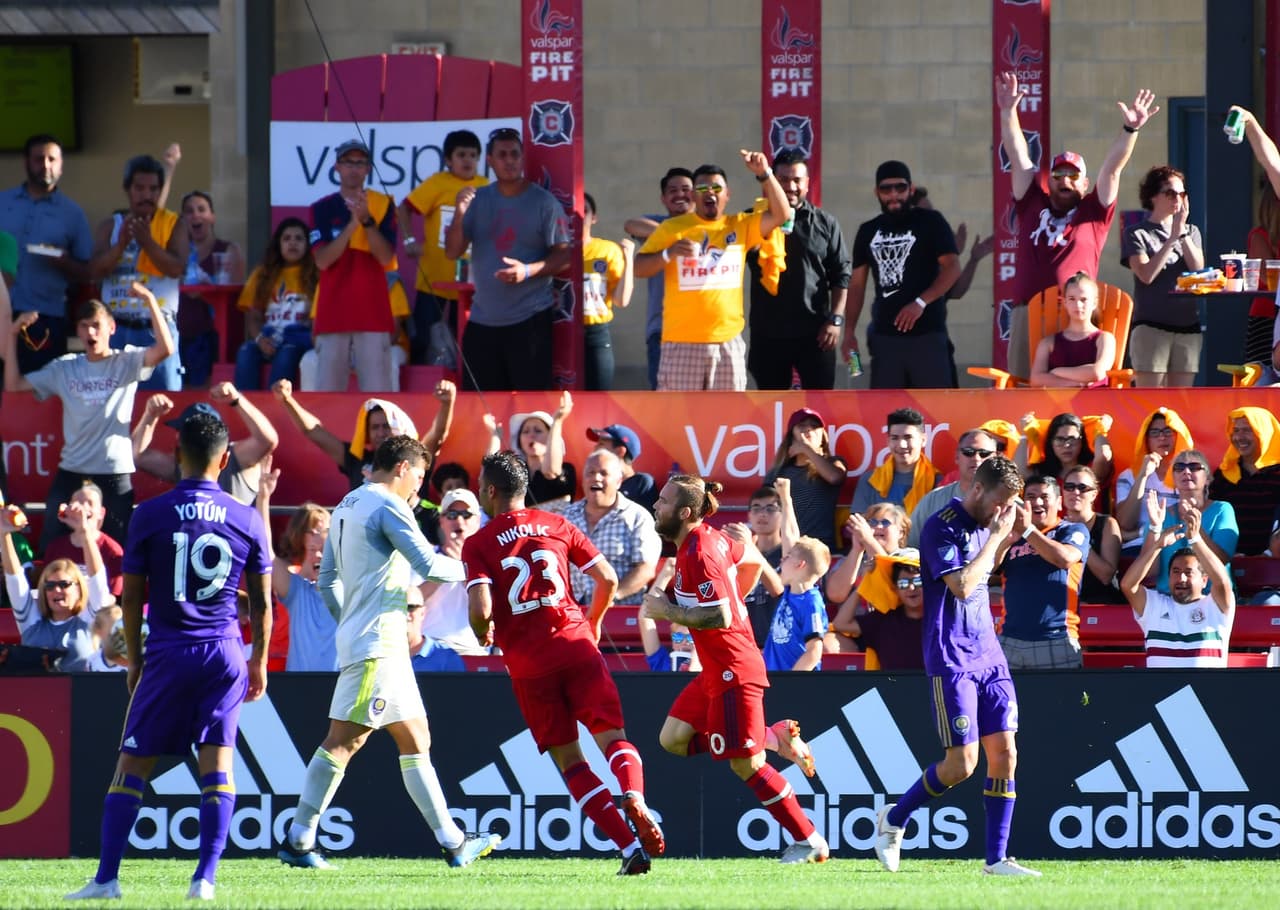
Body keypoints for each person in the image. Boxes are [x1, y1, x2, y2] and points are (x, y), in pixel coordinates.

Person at [65, 411, 272, 901]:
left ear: (177, 456)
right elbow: (263, 603)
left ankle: (106, 880)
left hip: (167, 649)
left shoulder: (149, 515)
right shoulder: (246, 517)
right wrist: (258, 660)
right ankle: (204, 879)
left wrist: (134, 659)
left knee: (131, 766)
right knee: (218, 768)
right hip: (224, 652)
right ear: (224, 460)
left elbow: (132, 597)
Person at [280, 435, 498, 870]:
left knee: (416, 740)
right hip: (378, 643)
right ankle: (299, 840)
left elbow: (326, 582)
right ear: (402, 468)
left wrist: (350, 621)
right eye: (418, 477)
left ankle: (454, 842)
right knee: (345, 740)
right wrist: (484, 569)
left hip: (381, 642)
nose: (419, 489)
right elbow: (431, 565)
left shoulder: (345, 505)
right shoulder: (386, 505)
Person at [465, 451, 663, 875]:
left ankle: (629, 847)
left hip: (529, 666)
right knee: (613, 739)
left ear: (492, 491)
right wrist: (592, 623)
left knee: (571, 762)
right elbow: (608, 578)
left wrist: (484, 631)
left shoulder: (478, 543)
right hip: (576, 645)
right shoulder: (558, 524)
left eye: (481, 485)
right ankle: (636, 796)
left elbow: (480, 607)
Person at [644, 473, 830, 864]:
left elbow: (719, 614)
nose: (656, 506)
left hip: (733, 668)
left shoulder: (698, 552)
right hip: (715, 668)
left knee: (745, 764)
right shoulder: (710, 539)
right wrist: (736, 597)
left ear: (685, 511)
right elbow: (751, 560)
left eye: (662, 501)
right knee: (672, 738)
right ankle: (772, 737)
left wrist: (667, 611)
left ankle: (809, 839)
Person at [874, 455, 1040, 877]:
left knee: (1005, 753)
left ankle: (996, 860)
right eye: (1001, 502)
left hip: (989, 652)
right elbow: (964, 586)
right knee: (961, 765)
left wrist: (1003, 538)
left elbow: (987, 569)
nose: (1003, 511)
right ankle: (895, 819)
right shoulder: (940, 526)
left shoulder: (990, 521)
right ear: (979, 489)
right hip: (952, 657)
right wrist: (997, 537)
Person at [997, 72, 1158, 379]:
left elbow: (1112, 168)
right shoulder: (1032, 202)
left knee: (1074, 395)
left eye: (1073, 176)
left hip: (1076, 316)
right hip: (1027, 313)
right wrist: (1008, 113)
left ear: (1085, 183)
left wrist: (1130, 128)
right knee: (1022, 388)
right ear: (1050, 180)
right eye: (1058, 175)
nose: (1065, 181)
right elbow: (1019, 157)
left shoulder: (1093, 212)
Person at [4, 288, 174, 551]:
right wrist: (13, 334)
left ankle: (115, 595)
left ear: (111, 328)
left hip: (114, 472)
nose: (90, 333)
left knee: (118, 551)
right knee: (51, 545)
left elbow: (165, 349)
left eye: (96, 325)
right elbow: (14, 385)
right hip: (72, 470)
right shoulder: (65, 367)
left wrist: (151, 300)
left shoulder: (126, 361)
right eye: (84, 326)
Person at [634, 151, 791, 391]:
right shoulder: (672, 228)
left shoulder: (740, 225)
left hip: (727, 343)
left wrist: (764, 174)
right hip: (681, 343)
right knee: (679, 421)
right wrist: (668, 253)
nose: (710, 193)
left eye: (717, 189)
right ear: (694, 196)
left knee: (729, 421)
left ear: (727, 195)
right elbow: (638, 267)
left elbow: (782, 214)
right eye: (702, 188)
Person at [444, 128, 571, 392]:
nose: (509, 160)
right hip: (482, 321)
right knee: (479, 407)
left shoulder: (543, 202)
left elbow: (565, 255)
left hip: (529, 320)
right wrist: (459, 213)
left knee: (530, 408)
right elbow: (453, 251)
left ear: (523, 158)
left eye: (515, 154)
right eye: (502, 154)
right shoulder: (477, 199)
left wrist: (527, 270)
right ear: (489, 160)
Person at [845, 160, 961, 388]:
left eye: (900, 188)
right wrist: (848, 333)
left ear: (911, 189)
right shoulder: (868, 230)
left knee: (935, 414)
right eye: (886, 189)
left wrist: (920, 302)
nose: (894, 195)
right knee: (887, 413)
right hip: (885, 338)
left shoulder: (931, 221)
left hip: (927, 335)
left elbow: (953, 267)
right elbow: (857, 285)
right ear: (876, 192)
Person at [745, 149, 853, 390]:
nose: (790, 186)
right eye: (783, 179)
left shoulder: (826, 223)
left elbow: (841, 275)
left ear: (807, 183)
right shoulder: (751, 220)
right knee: (770, 410)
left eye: (797, 180)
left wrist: (836, 320)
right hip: (768, 334)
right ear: (772, 180)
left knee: (821, 406)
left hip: (815, 334)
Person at [90, 154, 188, 391]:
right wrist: (121, 245)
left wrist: (148, 243)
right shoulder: (110, 226)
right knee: (110, 403)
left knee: (163, 403)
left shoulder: (173, 225)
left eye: (154, 189)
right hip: (114, 330)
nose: (147, 195)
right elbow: (95, 271)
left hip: (157, 330)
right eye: (140, 188)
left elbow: (176, 268)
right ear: (127, 189)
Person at [309, 139, 398, 392]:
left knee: (378, 396)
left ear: (368, 169)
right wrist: (352, 225)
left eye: (360, 163)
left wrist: (368, 221)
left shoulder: (383, 205)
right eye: (348, 162)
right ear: (337, 167)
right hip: (333, 314)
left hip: (372, 314)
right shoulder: (322, 208)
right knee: (328, 397)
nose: (354, 168)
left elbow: (384, 257)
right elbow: (323, 260)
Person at [0, 134, 93, 374]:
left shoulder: (72, 214)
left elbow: (87, 272)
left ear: (61, 164)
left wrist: (63, 262)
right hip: (2, 315)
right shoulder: (3, 202)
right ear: (26, 162)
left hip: (44, 319)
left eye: (52, 159)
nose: (45, 165)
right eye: (39, 159)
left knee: (40, 395)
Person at [397, 129, 487, 365]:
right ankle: (418, 391)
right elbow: (404, 208)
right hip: (433, 278)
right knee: (423, 340)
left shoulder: (486, 187)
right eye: (461, 155)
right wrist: (408, 241)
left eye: (473, 155)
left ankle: (462, 389)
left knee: (467, 341)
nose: (467, 160)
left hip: (470, 282)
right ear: (448, 160)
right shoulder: (438, 183)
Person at [272, 377, 454, 491]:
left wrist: (447, 404)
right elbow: (313, 431)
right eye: (375, 428)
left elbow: (437, 435)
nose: (381, 433)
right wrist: (287, 401)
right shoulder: (356, 459)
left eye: (386, 426)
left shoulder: (415, 458)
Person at [1120, 491, 1236, 668]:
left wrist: (1195, 539)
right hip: (1161, 694)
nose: (1181, 577)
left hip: (1207, 694)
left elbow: (1222, 581)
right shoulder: (1155, 606)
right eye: (1175, 571)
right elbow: (1128, 585)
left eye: (1189, 572)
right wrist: (1157, 544)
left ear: (1204, 580)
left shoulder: (1216, 606)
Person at [1121, 165, 1204, 387]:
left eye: (1182, 193)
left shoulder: (1191, 231)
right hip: (1151, 327)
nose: (1177, 198)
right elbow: (1146, 275)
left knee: (1182, 402)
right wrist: (1171, 239)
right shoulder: (1136, 233)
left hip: (1188, 327)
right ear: (1153, 196)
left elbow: (1198, 269)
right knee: (1150, 401)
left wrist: (1182, 233)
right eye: (1170, 193)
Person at [994, 475, 1088, 669]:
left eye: (1045, 497)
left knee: (1058, 700)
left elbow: (1064, 559)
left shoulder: (1071, 530)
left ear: (1059, 501)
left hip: (1056, 637)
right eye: (1030, 496)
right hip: (1008, 638)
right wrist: (1006, 540)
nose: (1037, 502)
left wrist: (1028, 531)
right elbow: (988, 569)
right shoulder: (1013, 534)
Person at [131, 384, 279, 506]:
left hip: (234, 538)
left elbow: (267, 440)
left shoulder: (235, 456)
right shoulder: (181, 462)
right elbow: (136, 456)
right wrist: (149, 416)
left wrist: (237, 400)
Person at [1, 505, 109, 672]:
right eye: (49, 586)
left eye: (64, 584)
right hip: (36, 695)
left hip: (83, 695)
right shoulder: (31, 621)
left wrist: (85, 532)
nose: (56, 591)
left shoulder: (90, 619)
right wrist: (4, 533)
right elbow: (14, 578)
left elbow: (97, 578)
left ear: (79, 589)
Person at [624, 167, 695, 389]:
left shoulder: (710, 225)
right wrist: (676, 237)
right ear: (663, 199)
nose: (679, 194)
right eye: (672, 190)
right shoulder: (657, 224)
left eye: (686, 189)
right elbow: (631, 225)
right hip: (662, 330)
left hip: (703, 330)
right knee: (665, 404)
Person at [564, 449, 661, 611]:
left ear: (618, 481)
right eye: (591, 473)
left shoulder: (637, 517)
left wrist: (611, 596)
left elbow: (646, 569)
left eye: (603, 473)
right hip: (573, 614)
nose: (596, 478)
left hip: (620, 613)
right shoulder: (565, 518)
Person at [234, 217, 317, 390]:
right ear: (278, 244)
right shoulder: (262, 274)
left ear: (308, 244)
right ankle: (244, 406)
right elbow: (253, 316)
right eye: (287, 238)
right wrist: (260, 339)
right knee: (246, 351)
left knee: (286, 354)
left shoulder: (316, 274)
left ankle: (277, 408)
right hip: (269, 337)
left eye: (299, 238)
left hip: (299, 340)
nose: (292, 243)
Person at [412, 488, 490, 670]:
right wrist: (447, 568)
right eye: (452, 514)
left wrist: (464, 568)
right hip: (430, 650)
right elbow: (410, 600)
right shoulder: (424, 557)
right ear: (441, 521)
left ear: (478, 521)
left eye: (466, 514)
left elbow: (490, 607)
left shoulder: (489, 561)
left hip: (473, 650)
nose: (459, 520)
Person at [177, 190, 245, 387]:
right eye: (189, 211)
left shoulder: (228, 250)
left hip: (215, 337)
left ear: (212, 217)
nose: (195, 215)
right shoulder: (177, 254)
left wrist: (208, 290)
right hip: (182, 334)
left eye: (201, 210)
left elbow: (236, 296)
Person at [1229, 106, 1280, 364]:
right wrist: (1249, 123)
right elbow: (1270, 162)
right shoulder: (1260, 234)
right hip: (1266, 314)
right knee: (1265, 376)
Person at [1150, 450, 1238, 595]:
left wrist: (1195, 529)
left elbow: (1221, 559)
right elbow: (1150, 571)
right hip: (1169, 599)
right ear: (1173, 477)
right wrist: (1154, 527)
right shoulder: (1160, 514)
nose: (1186, 471)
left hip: (1213, 598)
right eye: (1179, 468)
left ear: (1208, 479)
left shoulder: (1222, 509)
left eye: (1194, 466)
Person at [766, 407, 846, 550]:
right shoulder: (778, 472)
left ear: (823, 435)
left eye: (815, 426)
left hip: (821, 549)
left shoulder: (834, 462)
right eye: (802, 426)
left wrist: (807, 449)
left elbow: (835, 477)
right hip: (786, 550)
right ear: (792, 436)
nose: (808, 429)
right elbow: (765, 509)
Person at [270, 501, 337, 672]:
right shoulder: (294, 584)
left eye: (325, 530)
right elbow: (267, 557)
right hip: (287, 661)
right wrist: (263, 499)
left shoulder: (343, 585)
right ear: (300, 535)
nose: (320, 535)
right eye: (314, 530)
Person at [907, 428, 1000, 548]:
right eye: (968, 452)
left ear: (996, 459)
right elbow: (911, 549)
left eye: (984, 454)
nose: (976, 458)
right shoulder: (932, 501)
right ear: (957, 456)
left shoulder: (1009, 504)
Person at [1114, 407, 1193, 546]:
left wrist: (1140, 532)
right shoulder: (1128, 476)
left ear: (1178, 435)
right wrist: (1142, 476)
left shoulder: (1190, 474)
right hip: (1138, 547)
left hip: (1178, 544)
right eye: (1155, 433)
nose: (1162, 437)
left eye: (1168, 431)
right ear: (1146, 439)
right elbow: (1125, 523)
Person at [837, 549, 926, 671]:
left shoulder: (940, 618)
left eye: (918, 581)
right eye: (903, 584)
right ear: (894, 588)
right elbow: (841, 623)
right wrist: (865, 582)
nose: (911, 588)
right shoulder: (883, 620)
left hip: (934, 689)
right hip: (893, 689)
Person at [581, 192, 635, 390]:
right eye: (574, 211)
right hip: (562, 332)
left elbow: (622, 300)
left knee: (598, 397)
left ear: (594, 217)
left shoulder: (607, 250)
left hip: (596, 333)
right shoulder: (558, 250)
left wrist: (629, 259)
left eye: (585, 211)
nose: (579, 215)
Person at [1208, 407, 1280, 556]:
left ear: (1264, 433)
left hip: (1274, 566)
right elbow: (1212, 518)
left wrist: (1269, 554)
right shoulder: (1223, 475)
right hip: (1230, 563)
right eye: (1236, 430)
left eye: (1247, 430)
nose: (1239, 437)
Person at [485, 394, 577, 510]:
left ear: (551, 438)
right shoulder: (516, 471)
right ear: (519, 441)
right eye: (526, 431)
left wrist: (557, 421)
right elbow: (489, 477)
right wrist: (495, 436)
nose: (531, 435)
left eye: (538, 431)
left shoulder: (567, 469)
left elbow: (551, 471)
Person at [1028, 272, 1116, 388]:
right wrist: (1073, 384)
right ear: (1065, 303)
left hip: (1097, 403)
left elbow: (1097, 372)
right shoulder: (1048, 343)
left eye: (1084, 299)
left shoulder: (1105, 339)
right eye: (1072, 299)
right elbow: (1036, 379)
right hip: (1056, 404)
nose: (1078, 305)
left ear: (1094, 303)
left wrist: (1057, 372)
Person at [849, 407, 941, 516]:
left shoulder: (937, 482)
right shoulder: (870, 480)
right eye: (895, 438)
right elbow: (857, 526)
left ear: (923, 440)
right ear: (888, 441)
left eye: (908, 437)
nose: (902, 445)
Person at [41, 481, 125, 598]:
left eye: (90, 503)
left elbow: (113, 596)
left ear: (101, 512)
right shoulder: (55, 547)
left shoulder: (112, 550)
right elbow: (46, 588)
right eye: (78, 502)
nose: (83, 508)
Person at [762, 536, 830, 673]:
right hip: (773, 678)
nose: (781, 559)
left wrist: (792, 682)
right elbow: (788, 533)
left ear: (800, 564)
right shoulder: (788, 593)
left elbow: (814, 651)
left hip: (794, 685)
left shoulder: (811, 602)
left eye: (787, 557)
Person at [1019, 411, 1114, 505]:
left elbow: (1103, 456)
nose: (1067, 445)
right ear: (1051, 442)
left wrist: (1099, 432)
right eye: (1060, 439)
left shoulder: (1091, 471)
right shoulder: (1042, 473)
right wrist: (1024, 436)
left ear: (1082, 441)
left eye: (1072, 439)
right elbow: (1019, 472)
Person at [1061, 466, 1125, 605]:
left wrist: (1079, 540)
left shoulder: (1107, 524)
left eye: (1082, 488)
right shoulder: (1058, 526)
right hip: (1066, 604)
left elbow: (1106, 576)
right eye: (1069, 487)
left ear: (1094, 494)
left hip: (1102, 604)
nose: (1075, 492)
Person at [741, 485, 786, 648]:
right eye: (756, 508)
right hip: (745, 644)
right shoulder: (740, 553)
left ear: (783, 515)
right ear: (749, 515)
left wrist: (752, 550)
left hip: (781, 644)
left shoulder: (792, 553)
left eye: (770, 508)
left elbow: (780, 590)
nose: (762, 514)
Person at [586, 424, 657, 513]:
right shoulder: (596, 480)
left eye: (601, 444)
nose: (595, 448)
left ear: (620, 451)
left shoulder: (641, 483)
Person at [637, 588, 701, 672]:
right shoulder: (663, 662)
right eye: (678, 637)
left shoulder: (710, 664)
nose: (685, 642)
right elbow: (645, 617)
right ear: (672, 642)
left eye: (691, 638)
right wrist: (665, 576)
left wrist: (696, 661)